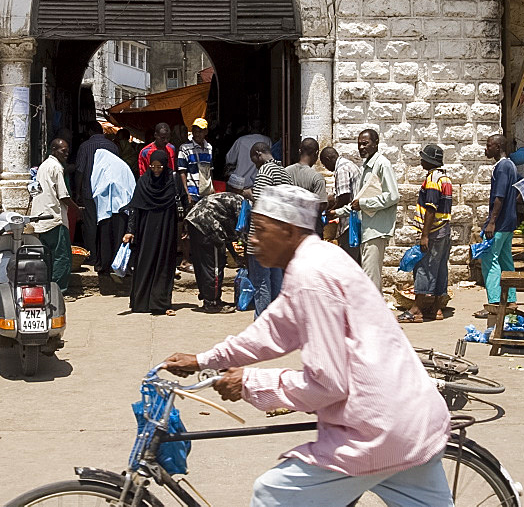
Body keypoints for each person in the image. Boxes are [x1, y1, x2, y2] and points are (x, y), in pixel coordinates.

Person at [164, 185, 452, 506]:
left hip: (377, 429)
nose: (252, 239)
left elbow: (327, 383)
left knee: (272, 493)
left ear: (288, 231)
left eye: (260, 230)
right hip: (414, 418)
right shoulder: (322, 256)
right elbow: (272, 331)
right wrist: (205, 359)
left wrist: (251, 383)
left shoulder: (309, 275)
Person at [330, 129, 399, 291]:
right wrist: (337, 212)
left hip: (376, 230)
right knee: (370, 277)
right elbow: (356, 203)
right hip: (366, 229)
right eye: (359, 144)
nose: (361, 147)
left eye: (365, 143)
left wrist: (364, 204)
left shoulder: (382, 164)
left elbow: (393, 196)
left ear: (376, 143)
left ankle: (374, 315)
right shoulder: (366, 167)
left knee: (370, 279)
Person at [122, 150, 185, 315]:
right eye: (153, 166)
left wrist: (183, 227)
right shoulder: (143, 182)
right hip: (146, 231)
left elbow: (183, 202)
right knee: (145, 263)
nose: (156, 170)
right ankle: (141, 302)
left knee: (164, 264)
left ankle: (160, 303)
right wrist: (130, 231)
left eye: (160, 167)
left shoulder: (173, 180)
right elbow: (135, 207)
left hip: (167, 230)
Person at [401, 144, 453, 323]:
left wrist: (425, 235)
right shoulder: (445, 178)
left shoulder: (432, 179)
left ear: (429, 160)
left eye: (423, 158)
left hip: (433, 232)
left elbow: (431, 208)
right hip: (444, 231)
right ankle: (437, 308)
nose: (421, 161)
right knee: (440, 269)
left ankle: (416, 310)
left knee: (422, 268)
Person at [184, 179, 246, 312]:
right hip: (207, 225)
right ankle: (212, 303)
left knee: (203, 264)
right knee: (216, 265)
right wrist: (244, 257)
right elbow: (241, 235)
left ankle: (209, 297)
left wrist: (235, 256)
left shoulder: (230, 199)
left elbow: (229, 236)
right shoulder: (243, 205)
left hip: (194, 222)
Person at [246, 142, 292, 316]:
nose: (255, 165)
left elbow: (258, 201)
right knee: (276, 280)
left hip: (263, 235)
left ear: (258, 154)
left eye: (254, 160)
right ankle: (276, 323)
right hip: (278, 235)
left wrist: (247, 193)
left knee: (261, 282)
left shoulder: (265, 171)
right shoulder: (284, 172)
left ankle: (262, 324)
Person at [33, 138, 81, 298]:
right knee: (62, 256)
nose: (66, 154)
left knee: (48, 256)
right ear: (53, 150)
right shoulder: (56, 167)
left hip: (41, 217)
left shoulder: (44, 166)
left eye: (67, 150)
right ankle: (59, 291)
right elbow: (63, 195)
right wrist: (77, 209)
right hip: (54, 217)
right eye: (63, 150)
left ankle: (47, 289)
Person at [477, 134, 518, 319]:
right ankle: (511, 300)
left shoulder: (501, 167)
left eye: (488, 146)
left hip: (499, 224)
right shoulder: (511, 166)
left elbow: (499, 197)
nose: (486, 149)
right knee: (505, 261)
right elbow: (517, 190)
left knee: (489, 260)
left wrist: (492, 222)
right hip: (509, 222)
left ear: (498, 147)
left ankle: (493, 303)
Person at [91, 148, 135, 293]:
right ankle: (119, 267)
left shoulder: (103, 167)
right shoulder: (122, 167)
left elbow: (96, 187)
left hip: (105, 211)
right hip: (122, 208)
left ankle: (105, 266)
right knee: (118, 239)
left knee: (105, 239)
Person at [75, 122, 119, 264]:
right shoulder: (113, 146)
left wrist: (77, 192)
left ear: (90, 131)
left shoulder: (85, 146)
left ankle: (92, 256)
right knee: (106, 224)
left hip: (90, 192)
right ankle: (107, 256)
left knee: (90, 225)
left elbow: (80, 171)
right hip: (108, 192)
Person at [320, 147, 361, 265]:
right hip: (356, 220)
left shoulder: (342, 168)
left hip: (350, 223)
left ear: (328, 159)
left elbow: (344, 197)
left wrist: (332, 212)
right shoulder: (349, 165)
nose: (326, 168)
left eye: (324, 164)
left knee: (349, 262)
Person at [284, 137, 328, 235]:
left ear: (300, 151)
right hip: (310, 230)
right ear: (316, 153)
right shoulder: (317, 177)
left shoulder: (285, 172)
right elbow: (321, 206)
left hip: (289, 228)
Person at [177, 118, 215, 204]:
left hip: (206, 193)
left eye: (200, 131)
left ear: (206, 132)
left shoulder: (209, 148)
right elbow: (182, 172)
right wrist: (187, 193)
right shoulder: (185, 148)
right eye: (195, 131)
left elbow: (210, 170)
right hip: (192, 193)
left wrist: (212, 188)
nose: (197, 134)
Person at [224, 120, 271, 188]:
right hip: (258, 185)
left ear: (249, 127)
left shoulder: (241, 140)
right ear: (263, 129)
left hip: (239, 184)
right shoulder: (267, 140)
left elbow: (229, 159)